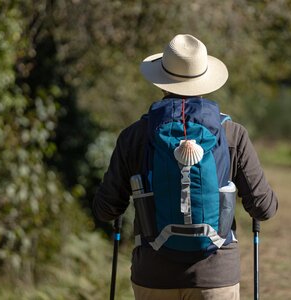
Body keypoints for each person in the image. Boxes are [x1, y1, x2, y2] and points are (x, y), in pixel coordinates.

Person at [93, 34, 278, 300]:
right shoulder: (232, 135)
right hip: (216, 278)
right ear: (205, 80)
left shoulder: (135, 136)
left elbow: (105, 209)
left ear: (161, 82)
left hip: (152, 276)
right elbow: (264, 208)